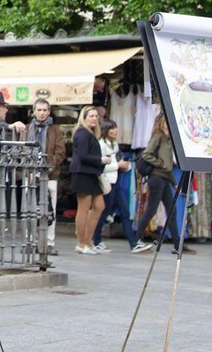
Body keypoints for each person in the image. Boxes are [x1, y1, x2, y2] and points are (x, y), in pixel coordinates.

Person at [22, 97, 67, 252]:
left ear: (49, 112)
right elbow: (21, 151)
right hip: (30, 175)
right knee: (29, 209)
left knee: (49, 210)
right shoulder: (27, 129)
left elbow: (60, 153)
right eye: (39, 110)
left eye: (44, 110)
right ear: (34, 111)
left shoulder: (55, 130)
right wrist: (30, 170)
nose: (42, 113)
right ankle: (30, 241)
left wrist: (46, 170)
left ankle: (49, 242)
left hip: (50, 176)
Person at [132, 112, 178, 255]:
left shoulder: (167, 140)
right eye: (166, 122)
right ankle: (137, 241)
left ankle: (177, 244)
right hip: (157, 178)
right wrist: (160, 164)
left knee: (172, 211)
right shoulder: (158, 137)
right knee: (151, 210)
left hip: (163, 178)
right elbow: (146, 154)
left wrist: (173, 182)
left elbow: (168, 166)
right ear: (161, 124)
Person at [68, 106, 107, 255]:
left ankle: (88, 240)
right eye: (91, 116)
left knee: (99, 206)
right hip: (82, 172)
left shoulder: (89, 133)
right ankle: (81, 243)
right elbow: (83, 156)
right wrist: (101, 160)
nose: (94, 118)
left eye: (96, 116)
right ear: (84, 118)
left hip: (91, 173)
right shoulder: (82, 133)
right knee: (84, 207)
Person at [94, 118, 134, 252]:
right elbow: (101, 166)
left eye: (115, 128)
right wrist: (118, 165)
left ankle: (133, 242)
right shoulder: (101, 145)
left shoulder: (115, 145)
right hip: (107, 182)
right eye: (112, 128)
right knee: (104, 212)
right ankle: (95, 240)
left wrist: (124, 166)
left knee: (124, 211)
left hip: (115, 181)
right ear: (105, 130)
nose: (115, 131)